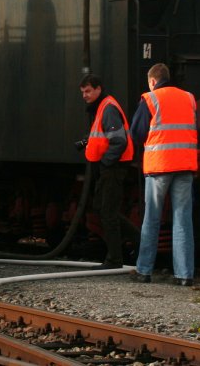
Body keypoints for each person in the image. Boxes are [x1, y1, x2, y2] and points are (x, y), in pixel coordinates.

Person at [129, 62, 197, 286]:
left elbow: (137, 133)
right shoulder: (188, 98)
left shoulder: (150, 99)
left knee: (152, 219)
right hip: (185, 165)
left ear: (152, 81)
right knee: (183, 220)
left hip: (159, 167)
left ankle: (144, 270)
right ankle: (184, 275)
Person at [77, 73, 133, 269]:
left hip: (112, 168)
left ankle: (115, 259)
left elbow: (119, 141)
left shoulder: (108, 108)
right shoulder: (102, 107)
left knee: (108, 212)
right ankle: (137, 242)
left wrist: (106, 163)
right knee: (103, 209)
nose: (85, 95)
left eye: (88, 91)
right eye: (83, 92)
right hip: (108, 168)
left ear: (98, 89)